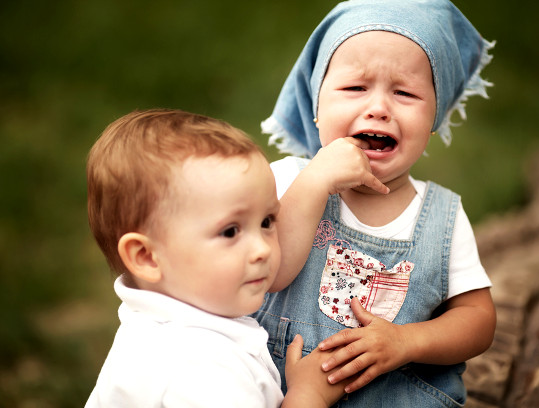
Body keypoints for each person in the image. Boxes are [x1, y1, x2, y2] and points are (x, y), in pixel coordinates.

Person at [253, 0, 498, 406]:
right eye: (355, 88)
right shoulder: (285, 180)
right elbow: (268, 272)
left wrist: (406, 340)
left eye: (405, 92)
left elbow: (478, 320)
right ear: (316, 107)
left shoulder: (443, 217)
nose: (379, 108)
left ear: (434, 119)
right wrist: (314, 181)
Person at [85, 109, 348, 407]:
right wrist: (306, 396)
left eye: (266, 222)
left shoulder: (161, 327)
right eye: (230, 231)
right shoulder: (199, 370)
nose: (262, 249)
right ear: (147, 257)